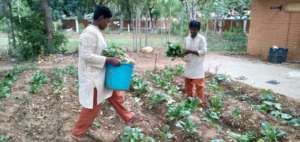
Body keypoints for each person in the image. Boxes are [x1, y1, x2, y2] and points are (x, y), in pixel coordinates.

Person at [71, 5, 138, 141]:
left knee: (115, 95)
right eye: (107, 21)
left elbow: (101, 51)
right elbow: (86, 56)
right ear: (101, 18)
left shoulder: (96, 31)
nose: (108, 24)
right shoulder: (89, 33)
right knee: (93, 106)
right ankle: (77, 132)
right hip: (93, 78)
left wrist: (119, 55)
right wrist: (108, 59)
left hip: (101, 74)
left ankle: (128, 116)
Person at [183, 20, 207, 107]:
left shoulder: (201, 39)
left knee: (199, 86)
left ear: (198, 29)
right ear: (189, 28)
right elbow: (184, 50)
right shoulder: (186, 39)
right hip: (189, 65)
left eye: (195, 29)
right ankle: (189, 100)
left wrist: (191, 51)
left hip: (198, 66)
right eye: (191, 29)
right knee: (188, 85)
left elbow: (204, 51)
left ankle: (200, 103)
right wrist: (182, 53)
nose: (193, 31)